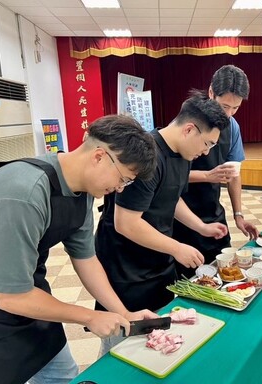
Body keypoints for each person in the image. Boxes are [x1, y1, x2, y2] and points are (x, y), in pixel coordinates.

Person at [0, 114, 160, 384]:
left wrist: (122, 313)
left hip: (26, 286)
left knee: (60, 373)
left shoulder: (83, 188)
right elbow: (9, 297)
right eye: (124, 179)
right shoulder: (23, 194)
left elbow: (86, 259)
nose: (120, 189)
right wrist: (89, 316)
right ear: (100, 156)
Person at [95, 91, 230, 354]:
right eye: (208, 144)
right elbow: (126, 223)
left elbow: (171, 197)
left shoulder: (181, 155)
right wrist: (176, 247)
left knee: (156, 338)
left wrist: (200, 227)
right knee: (122, 342)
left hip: (155, 261)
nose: (207, 152)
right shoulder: (147, 156)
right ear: (189, 130)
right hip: (126, 267)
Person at [173, 65, 260, 278]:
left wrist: (238, 215)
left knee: (223, 272)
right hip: (180, 214)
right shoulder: (189, 121)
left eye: (236, 108)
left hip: (211, 210)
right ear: (211, 92)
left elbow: (234, 173)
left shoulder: (232, 127)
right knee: (189, 280)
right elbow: (169, 177)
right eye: (224, 106)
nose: (228, 114)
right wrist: (206, 175)